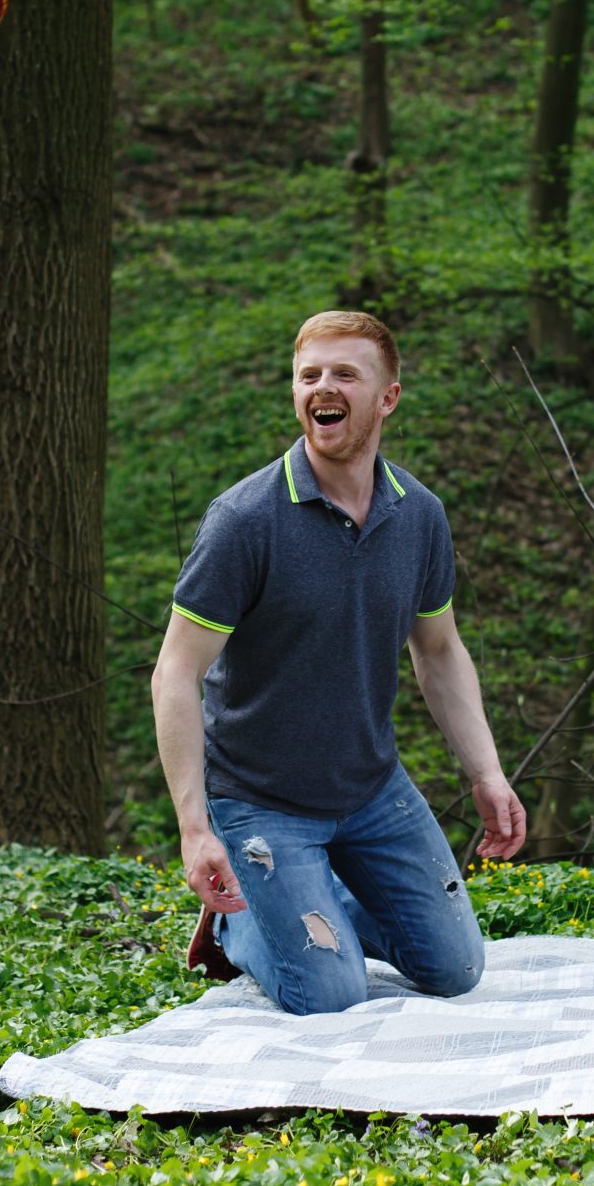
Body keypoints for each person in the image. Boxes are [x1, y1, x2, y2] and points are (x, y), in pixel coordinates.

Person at [151, 310, 528, 1015]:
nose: (322, 387)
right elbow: (175, 671)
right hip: (259, 798)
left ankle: (300, 901)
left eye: (344, 374)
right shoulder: (243, 522)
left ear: (387, 397)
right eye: (309, 375)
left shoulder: (419, 515)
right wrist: (196, 826)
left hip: (371, 791)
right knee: (328, 992)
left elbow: (438, 649)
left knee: (456, 970)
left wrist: (486, 772)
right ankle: (238, 923)